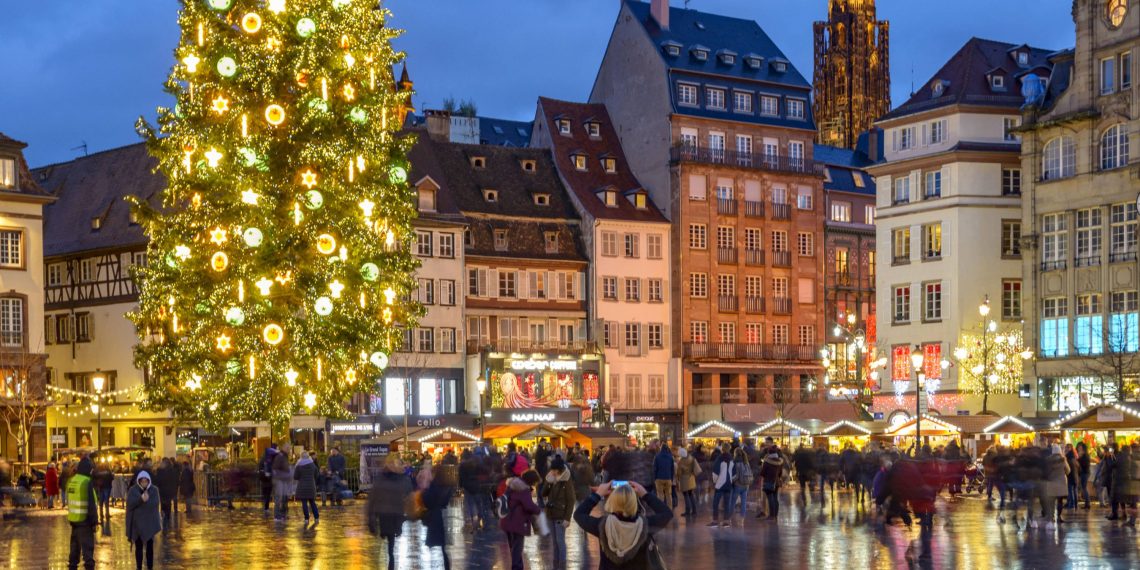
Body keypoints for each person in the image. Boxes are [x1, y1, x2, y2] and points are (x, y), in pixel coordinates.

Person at [573, 481, 674, 570]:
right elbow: (667, 514)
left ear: (612, 501)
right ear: (633, 501)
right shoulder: (645, 525)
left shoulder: (602, 526)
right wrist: (645, 494)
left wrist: (598, 494)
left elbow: (579, 514)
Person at [366, 455, 414, 570]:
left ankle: (390, 564)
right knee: (389, 541)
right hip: (389, 514)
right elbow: (373, 497)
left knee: (389, 542)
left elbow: (408, 492)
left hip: (391, 514)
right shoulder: (396, 478)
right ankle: (390, 563)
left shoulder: (389, 478)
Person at [499, 470, 542, 570]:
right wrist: (539, 510)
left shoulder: (513, 484)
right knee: (517, 547)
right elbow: (529, 506)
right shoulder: (523, 489)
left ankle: (517, 566)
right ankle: (517, 567)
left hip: (507, 520)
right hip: (517, 522)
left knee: (513, 546)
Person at [421, 463, 455, 570]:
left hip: (436, 517)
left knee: (437, 543)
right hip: (446, 517)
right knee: (444, 545)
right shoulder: (448, 485)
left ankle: (437, 565)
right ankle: (446, 565)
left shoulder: (434, 486)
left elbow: (428, 500)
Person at [543, 457, 575, 570]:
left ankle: (562, 565)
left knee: (560, 541)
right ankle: (555, 564)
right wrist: (549, 482)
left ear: (558, 470)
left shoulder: (566, 481)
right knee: (554, 542)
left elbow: (571, 500)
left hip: (561, 515)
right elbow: (543, 493)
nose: (551, 471)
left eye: (553, 469)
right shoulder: (551, 478)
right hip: (550, 513)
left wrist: (567, 518)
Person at [67, 456, 99, 570]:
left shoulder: (72, 480)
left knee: (74, 553)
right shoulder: (86, 481)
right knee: (88, 554)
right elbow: (91, 504)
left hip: (74, 521)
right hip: (85, 522)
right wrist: (95, 522)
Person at [126, 471, 162, 570]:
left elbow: (154, 504)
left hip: (149, 524)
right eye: (142, 481)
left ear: (149, 481)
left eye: (146, 481)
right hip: (137, 525)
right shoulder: (133, 491)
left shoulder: (154, 490)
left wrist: (143, 504)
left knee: (150, 548)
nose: (144, 483)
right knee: (139, 548)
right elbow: (130, 504)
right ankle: (139, 567)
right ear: (139, 481)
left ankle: (150, 567)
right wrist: (141, 500)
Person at [708, 443, 734, 528]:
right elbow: (734, 472)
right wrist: (731, 480)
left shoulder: (719, 458)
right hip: (728, 484)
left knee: (716, 503)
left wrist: (715, 482)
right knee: (727, 503)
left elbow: (715, 471)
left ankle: (715, 521)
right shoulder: (731, 459)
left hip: (720, 484)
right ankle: (726, 521)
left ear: (722, 449)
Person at [758, 448, 785, 520]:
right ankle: (775, 515)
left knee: (770, 498)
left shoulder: (767, 462)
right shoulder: (780, 462)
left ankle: (771, 515)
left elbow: (762, 473)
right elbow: (780, 473)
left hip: (768, 482)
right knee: (775, 498)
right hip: (776, 482)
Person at [294, 451, 320, 523]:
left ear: (301, 456)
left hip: (302, 486)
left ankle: (306, 518)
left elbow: (295, 477)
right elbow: (316, 475)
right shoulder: (312, 465)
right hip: (311, 486)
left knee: (304, 503)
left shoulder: (299, 465)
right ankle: (316, 517)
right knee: (312, 502)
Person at [728, 447, 753, 523]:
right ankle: (742, 519)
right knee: (743, 502)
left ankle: (729, 518)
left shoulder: (735, 462)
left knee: (732, 502)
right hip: (746, 485)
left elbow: (736, 476)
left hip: (738, 485)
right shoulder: (746, 462)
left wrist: (731, 481)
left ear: (735, 454)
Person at [154, 458, 178, 528]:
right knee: (167, 504)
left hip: (164, 491)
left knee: (164, 504)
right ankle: (166, 518)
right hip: (167, 491)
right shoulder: (172, 471)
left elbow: (157, 481)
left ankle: (165, 518)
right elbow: (175, 482)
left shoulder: (161, 471)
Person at [676, 447, 700, 516]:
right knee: (691, 495)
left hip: (684, 480)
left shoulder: (681, 462)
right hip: (691, 478)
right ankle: (694, 510)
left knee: (686, 496)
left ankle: (687, 511)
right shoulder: (691, 458)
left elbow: (679, 473)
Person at [652, 442, 675, 509]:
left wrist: (655, 478)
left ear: (661, 448)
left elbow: (655, 468)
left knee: (660, 495)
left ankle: (661, 509)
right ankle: (669, 509)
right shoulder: (670, 457)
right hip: (668, 478)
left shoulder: (657, 456)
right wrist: (671, 478)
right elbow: (672, 469)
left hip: (659, 478)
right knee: (668, 495)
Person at [271, 445, 292, 520]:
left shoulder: (284, 456)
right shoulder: (280, 456)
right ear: (283, 448)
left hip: (283, 480)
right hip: (279, 480)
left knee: (284, 498)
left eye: (289, 448)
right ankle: (277, 515)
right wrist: (284, 475)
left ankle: (282, 514)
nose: (289, 450)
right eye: (288, 448)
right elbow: (275, 469)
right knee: (279, 498)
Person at [259, 445, 277, 513]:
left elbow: (260, 468)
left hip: (264, 480)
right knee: (268, 493)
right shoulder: (270, 460)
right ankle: (266, 507)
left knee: (265, 493)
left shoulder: (262, 459)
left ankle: (265, 506)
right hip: (269, 480)